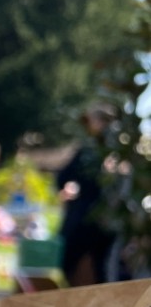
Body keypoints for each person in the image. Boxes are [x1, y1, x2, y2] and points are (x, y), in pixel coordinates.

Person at [57, 105, 117, 286]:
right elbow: (64, 176)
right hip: (80, 214)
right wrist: (67, 186)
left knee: (102, 266)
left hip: (103, 217)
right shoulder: (86, 149)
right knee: (69, 260)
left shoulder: (115, 150)